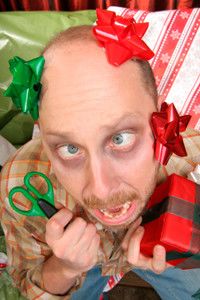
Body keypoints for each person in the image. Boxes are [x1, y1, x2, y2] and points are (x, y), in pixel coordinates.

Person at [0, 23, 200, 300]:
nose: (101, 190)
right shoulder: (19, 184)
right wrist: (65, 266)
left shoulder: (191, 159)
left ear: (160, 119)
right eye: (69, 148)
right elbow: (27, 281)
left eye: (120, 139)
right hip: (83, 269)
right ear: (43, 139)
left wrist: (187, 246)